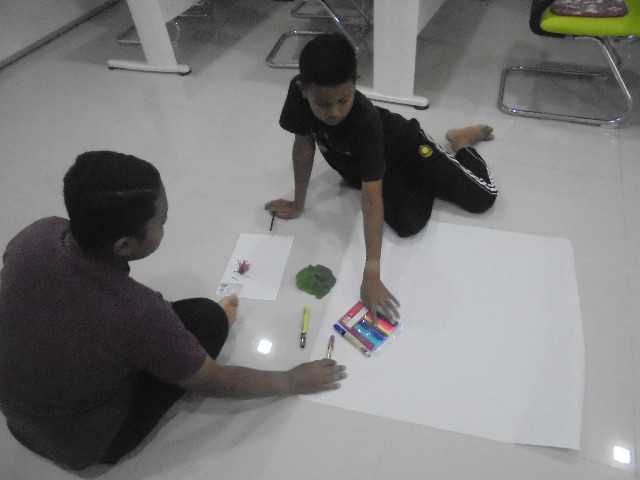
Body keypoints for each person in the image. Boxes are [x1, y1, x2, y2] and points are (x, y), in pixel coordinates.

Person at [0, 151, 347, 470]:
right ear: (124, 244)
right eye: (161, 222)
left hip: (18, 421)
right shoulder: (138, 312)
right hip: (85, 444)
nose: (166, 224)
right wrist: (291, 380)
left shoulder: (37, 235)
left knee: (183, 322)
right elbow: (213, 380)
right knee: (208, 321)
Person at [265, 33, 497, 322]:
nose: (334, 112)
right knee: (408, 225)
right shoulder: (298, 92)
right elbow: (303, 144)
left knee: (482, 198)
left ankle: (461, 142)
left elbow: (371, 199)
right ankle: (427, 176)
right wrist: (298, 202)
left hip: (408, 148)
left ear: (356, 81)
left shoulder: (365, 121)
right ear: (303, 89)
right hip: (364, 165)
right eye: (322, 104)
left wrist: (371, 274)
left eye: (343, 99)